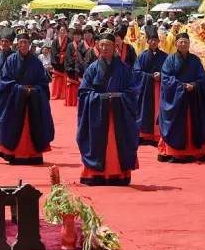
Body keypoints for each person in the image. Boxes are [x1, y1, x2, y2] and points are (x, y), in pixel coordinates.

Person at [77, 33, 139, 185]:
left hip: (119, 114)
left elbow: (132, 91)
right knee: (98, 142)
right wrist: (100, 98)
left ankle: (118, 174)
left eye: (108, 45)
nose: (105, 48)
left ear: (114, 47)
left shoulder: (124, 69)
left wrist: (118, 97)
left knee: (117, 144)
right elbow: (84, 92)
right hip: (97, 114)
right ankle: (95, 174)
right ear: (98, 46)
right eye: (102, 45)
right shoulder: (92, 69)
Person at [0, 27, 55, 165]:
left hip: (32, 102)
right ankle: (13, 153)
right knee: (14, 125)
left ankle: (32, 154)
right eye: (20, 42)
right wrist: (20, 89)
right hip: (14, 102)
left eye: (25, 42)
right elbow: (4, 81)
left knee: (32, 127)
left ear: (30, 44)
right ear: (17, 44)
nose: (23, 45)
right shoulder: (10, 60)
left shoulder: (36, 62)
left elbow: (43, 83)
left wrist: (34, 90)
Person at [158, 33, 205, 163]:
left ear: (189, 44)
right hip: (176, 98)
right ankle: (175, 153)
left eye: (186, 42)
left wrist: (193, 85)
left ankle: (195, 152)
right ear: (176, 44)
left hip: (193, 97)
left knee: (195, 123)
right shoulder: (170, 60)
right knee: (175, 124)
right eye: (181, 42)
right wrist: (181, 86)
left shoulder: (195, 60)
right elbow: (166, 78)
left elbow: (203, 79)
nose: (183, 44)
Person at [133, 28, 168, 146]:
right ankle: (144, 135)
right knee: (144, 110)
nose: (153, 42)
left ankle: (158, 134)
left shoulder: (165, 56)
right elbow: (137, 72)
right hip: (146, 88)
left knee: (159, 110)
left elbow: (170, 71)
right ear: (147, 41)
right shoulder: (142, 56)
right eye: (151, 40)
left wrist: (161, 75)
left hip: (160, 88)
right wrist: (150, 76)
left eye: (155, 40)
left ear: (159, 42)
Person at [64, 28, 83, 106]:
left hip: (81, 67)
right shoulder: (70, 45)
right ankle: (71, 101)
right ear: (73, 36)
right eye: (75, 35)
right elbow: (68, 56)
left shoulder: (83, 45)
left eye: (78, 35)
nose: (77, 36)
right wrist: (74, 64)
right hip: (72, 67)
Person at [50, 24, 69, 99]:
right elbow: (54, 52)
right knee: (57, 79)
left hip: (66, 61)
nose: (63, 31)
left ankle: (64, 95)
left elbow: (70, 51)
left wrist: (65, 57)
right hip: (57, 62)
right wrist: (59, 57)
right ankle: (56, 94)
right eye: (61, 30)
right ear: (58, 31)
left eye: (64, 30)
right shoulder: (55, 41)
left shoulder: (69, 40)